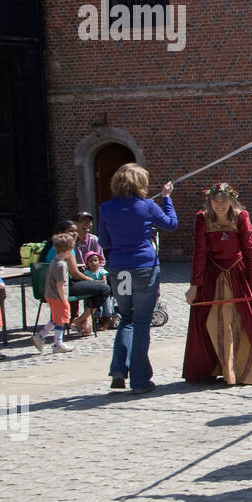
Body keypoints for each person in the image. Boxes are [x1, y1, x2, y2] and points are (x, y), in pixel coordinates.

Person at [182, 182, 252, 385]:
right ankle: (223, 368)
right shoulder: (202, 218)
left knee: (243, 322)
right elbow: (199, 253)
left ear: (232, 201)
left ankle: (247, 370)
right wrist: (194, 286)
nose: (220, 205)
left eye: (224, 201)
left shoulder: (241, 216)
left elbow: (250, 250)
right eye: (215, 201)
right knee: (214, 322)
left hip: (239, 274)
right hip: (213, 276)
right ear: (209, 201)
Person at [99, 163, 178, 395]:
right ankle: (140, 380)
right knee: (142, 322)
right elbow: (171, 224)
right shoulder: (147, 206)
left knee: (126, 317)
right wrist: (166, 198)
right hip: (144, 267)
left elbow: (104, 243)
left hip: (118, 268)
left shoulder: (106, 208)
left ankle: (118, 370)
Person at [41, 219, 109, 336]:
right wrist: (92, 280)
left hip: (47, 288)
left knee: (92, 287)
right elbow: (75, 273)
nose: (75, 233)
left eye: (75, 231)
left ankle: (83, 322)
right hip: (61, 288)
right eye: (70, 231)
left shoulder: (50, 246)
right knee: (103, 288)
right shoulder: (66, 249)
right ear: (61, 233)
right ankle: (80, 320)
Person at [34, 233, 78, 354]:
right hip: (57, 296)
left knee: (55, 318)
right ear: (68, 249)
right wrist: (64, 299)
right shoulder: (62, 265)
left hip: (50, 295)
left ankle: (41, 337)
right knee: (61, 320)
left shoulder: (55, 260)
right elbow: (60, 284)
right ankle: (57, 343)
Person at [84, 251, 114, 325]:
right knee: (95, 308)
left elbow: (103, 281)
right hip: (93, 293)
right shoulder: (87, 273)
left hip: (104, 293)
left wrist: (93, 282)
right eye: (91, 261)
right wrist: (96, 282)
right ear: (87, 263)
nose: (93, 262)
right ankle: (95, 321)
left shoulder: (102, 271)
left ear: (99, 262)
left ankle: (106, 321)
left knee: (106, 307)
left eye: (95, 260)